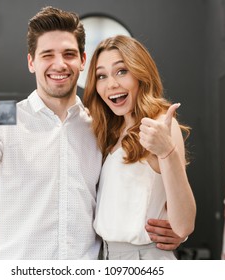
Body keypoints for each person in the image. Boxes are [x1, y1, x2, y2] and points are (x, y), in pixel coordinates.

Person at [0, 6, 184, 260]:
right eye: (47, 55)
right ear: (31, 62)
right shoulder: (2, 115)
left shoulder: (101, 123)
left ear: (82, 61)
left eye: (69, 54)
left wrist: (175, 229)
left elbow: (129, 187)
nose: (59, 64)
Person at [83, 35, 196, 260]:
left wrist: (167, 152)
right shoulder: (112, 132)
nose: (111, 84)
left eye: (121, 71)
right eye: (101, 76)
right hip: (107, 255)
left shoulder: (160, 124)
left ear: (140, 74)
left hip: (142, 258)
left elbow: (183, 225)